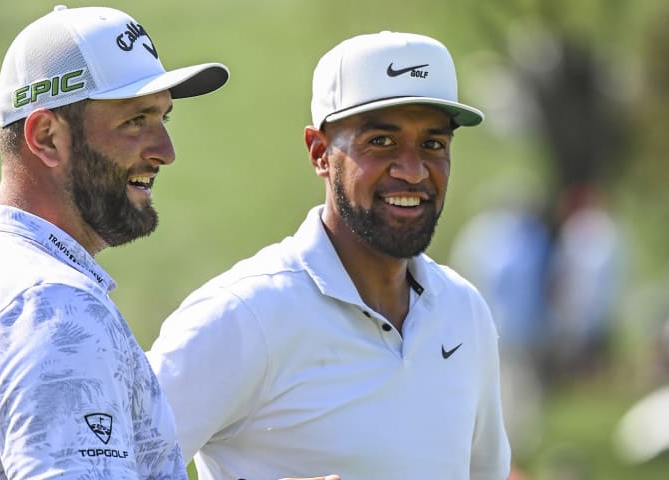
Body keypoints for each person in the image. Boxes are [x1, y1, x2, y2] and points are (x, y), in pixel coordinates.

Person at [148, 31, 512, 479]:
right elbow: (92, 466)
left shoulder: (465, 311)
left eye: (433, 145)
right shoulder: (243, 315)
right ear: (320, 153)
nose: (413, 170)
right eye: (381, 142)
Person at [0, 5, 230, 479]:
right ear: (47, 137)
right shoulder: (53, 308)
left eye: (163, 117)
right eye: (135, 120)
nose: (166, 150)